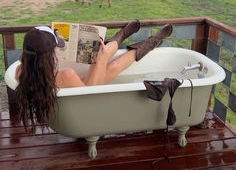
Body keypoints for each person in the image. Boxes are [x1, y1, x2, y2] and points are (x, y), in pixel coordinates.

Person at [15, 21, 173, 133]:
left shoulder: (20, 71)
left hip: (75, 100)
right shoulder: (65, 75)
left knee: (107, 62)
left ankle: (126, 36)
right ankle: (149, 40)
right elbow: (90, 95)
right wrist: (99, 59)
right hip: (85, 110)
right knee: (108, 63)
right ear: (50, 54)